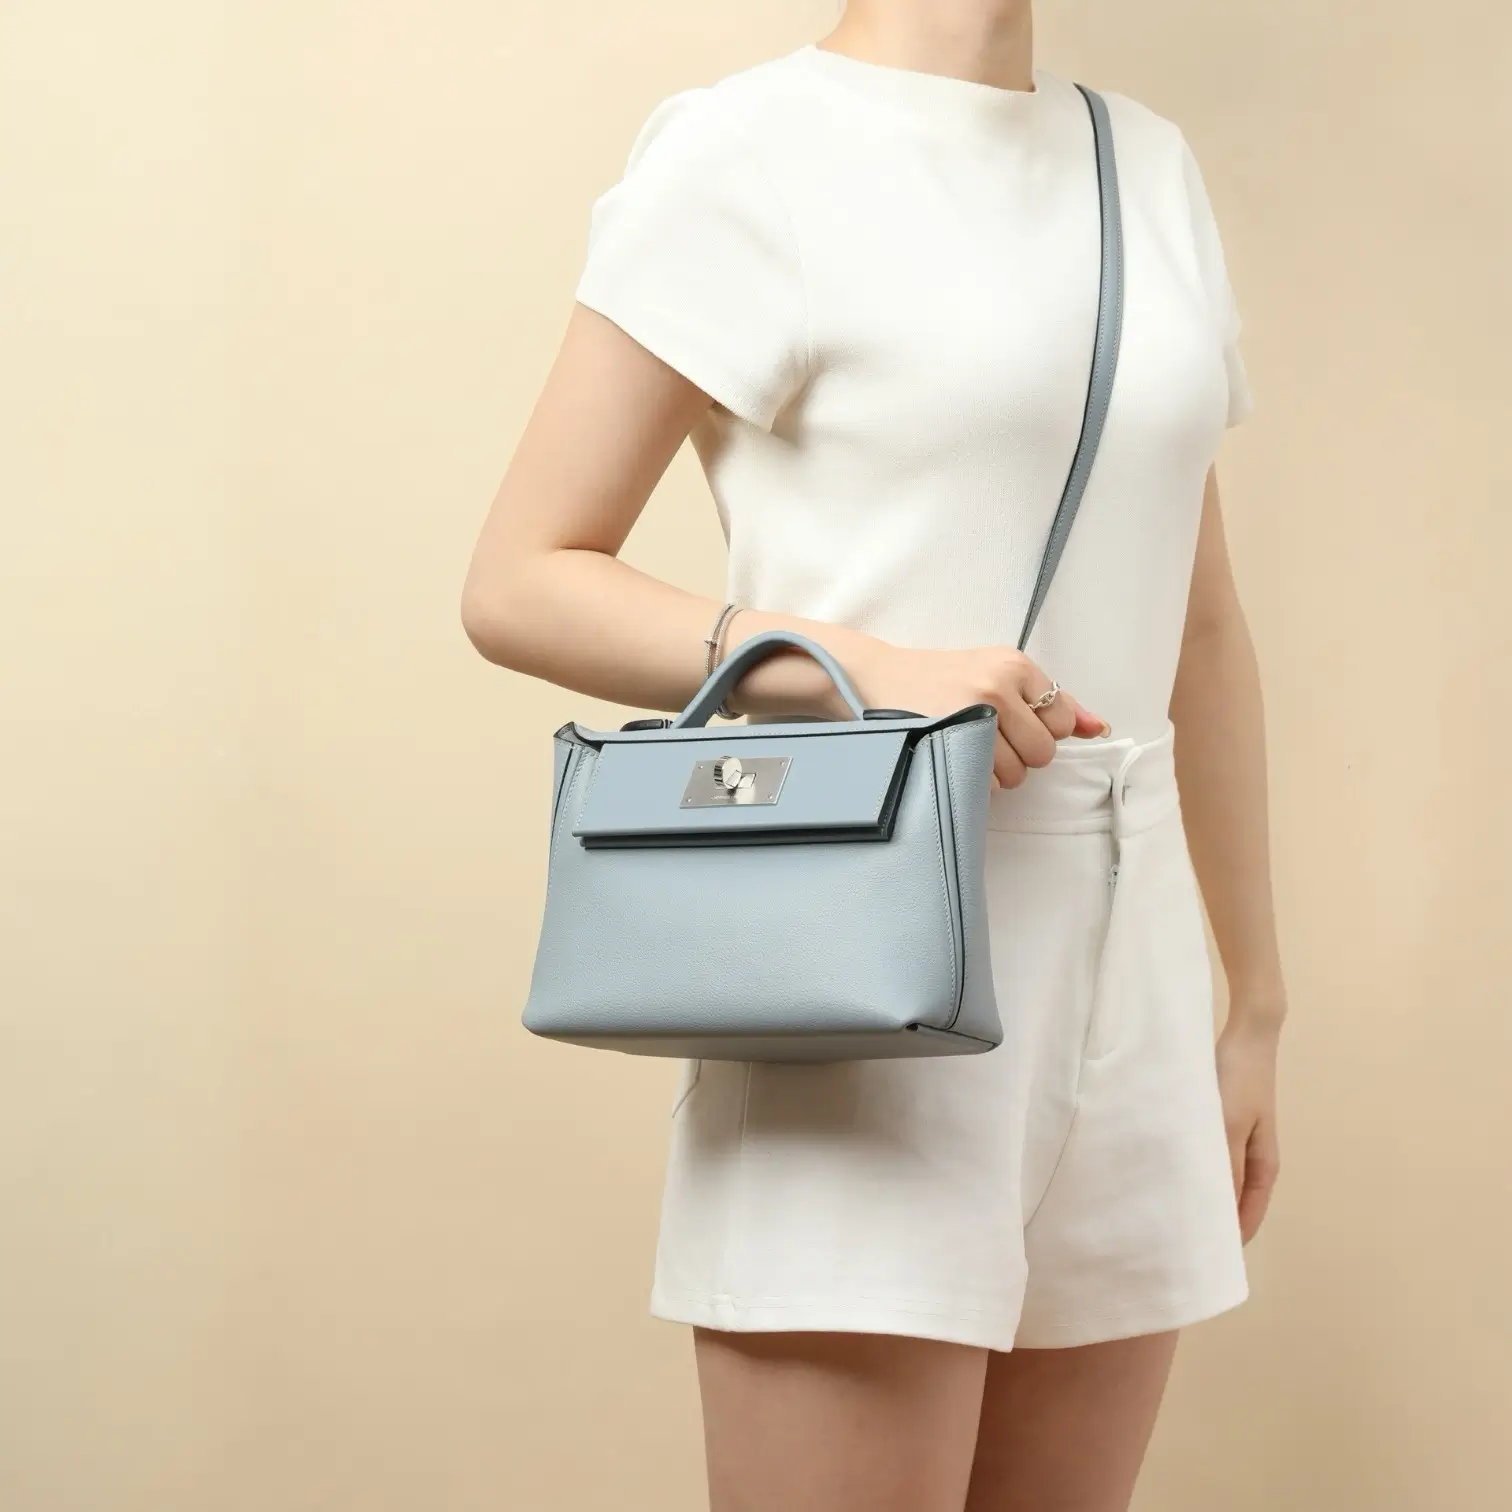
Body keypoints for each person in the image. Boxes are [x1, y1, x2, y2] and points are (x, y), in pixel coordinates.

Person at [462, 2, 1286, 1507]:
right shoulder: (747, 151)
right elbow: (520, 578)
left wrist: (1256, 1010)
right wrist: (862, 673)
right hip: (857, 971)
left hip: (1136, 980)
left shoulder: (1145, 166)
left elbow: (1205, 623)